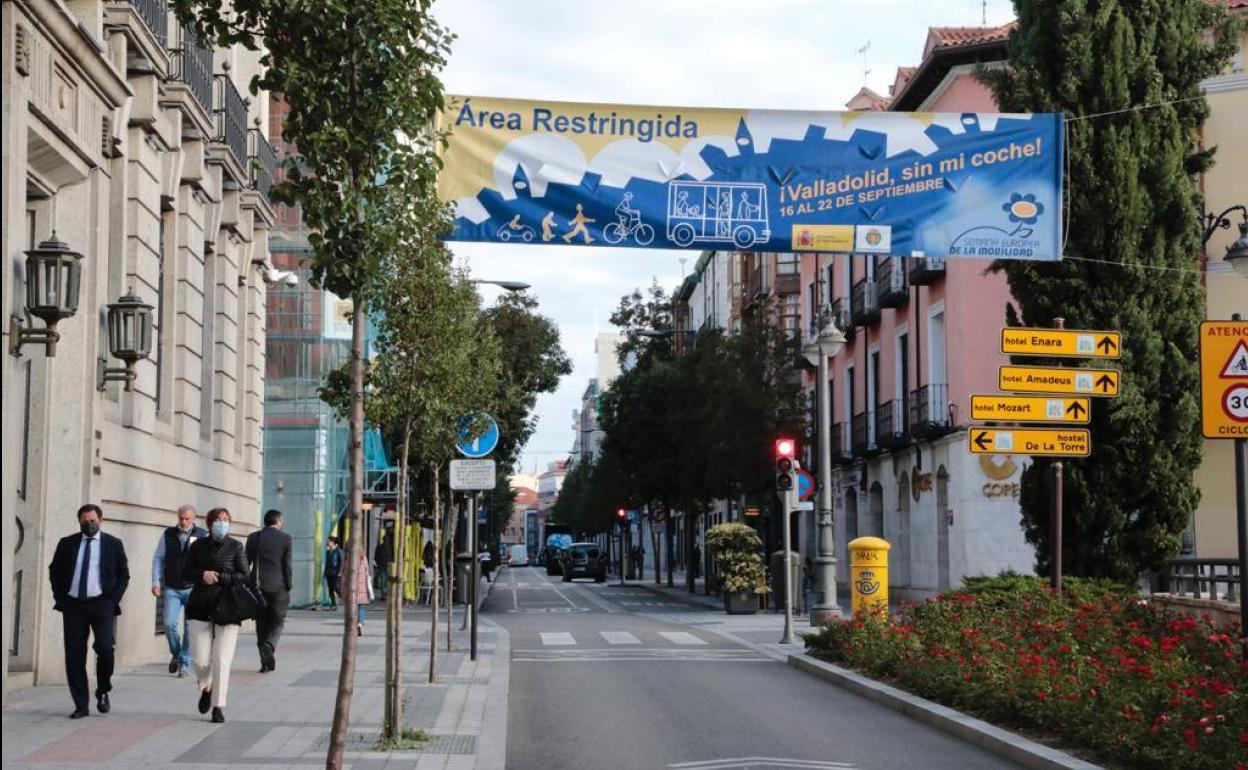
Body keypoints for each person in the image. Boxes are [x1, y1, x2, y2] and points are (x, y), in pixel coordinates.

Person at [48, 504, 130, 719]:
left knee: (105, 649)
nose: (89, 524)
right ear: (79, 522)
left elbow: (124, 575)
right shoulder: (67, 544)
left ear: (100, 520)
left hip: (102, 604)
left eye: (93, 520)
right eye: (85, 521)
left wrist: (113, 600)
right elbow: (54, 571)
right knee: (74, 656)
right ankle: (80, 705)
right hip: (73, 606)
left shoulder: (113, 544)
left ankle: (103, 688)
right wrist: (61, 599)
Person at [185, 507, 249, 724]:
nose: (222, 523)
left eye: (226, 520)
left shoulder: (236, 546)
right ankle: (206, 685)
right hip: (200, 605)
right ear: (209, 523)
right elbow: (185, 571)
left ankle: (218, 705)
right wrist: (202, 575)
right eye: (218, 520)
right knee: (200, 658)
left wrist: (222, 578)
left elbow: (244, 575)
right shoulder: (198, 546)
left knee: (222, 659)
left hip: (228, 606)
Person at [152, 504, 207, 678]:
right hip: (172, 587)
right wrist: (155, 582)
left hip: (193, 588)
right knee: (169, 624)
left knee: (190, 628)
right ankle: (176, 653)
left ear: (193, 519)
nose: (183, 522)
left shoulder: (202, 535)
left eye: (187, 519)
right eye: (181, 518)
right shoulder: (168, 534)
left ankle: (184, 662)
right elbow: (158, 558)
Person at [246, 509, 292, 674]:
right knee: (278, 621)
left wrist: (248, 583)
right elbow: (286, 566)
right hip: (277, 587)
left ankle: (264, 663)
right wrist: (288, 585)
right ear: (278, 521)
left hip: (257, 588)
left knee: (261, 624)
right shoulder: (286, 538)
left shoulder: (253, 538)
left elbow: (245, 564)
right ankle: (270, 645)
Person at [354, 548, 374, 636]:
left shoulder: (350, 557)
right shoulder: (364, 558)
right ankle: (360, 623)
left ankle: (353, 624)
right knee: (361, 607)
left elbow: (343, 570)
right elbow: (367, 572)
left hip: (352, 586)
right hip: (362, 586)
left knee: (353, 607)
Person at [373, 531, 394, 600]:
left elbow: (393, 557)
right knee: (384, 581)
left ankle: (386, 594)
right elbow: (376, 557)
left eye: (387, 540)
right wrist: (379, 564)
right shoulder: (381, 547)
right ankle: (384, 595)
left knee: (386, 581)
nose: (386, 541)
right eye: (385, 539)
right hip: (383, 566)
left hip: (388, 566)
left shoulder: (391, 548)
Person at [324, 536, 343, 609]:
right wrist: (325, 571)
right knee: (330, 589)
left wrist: (340, 571)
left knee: (336, 587)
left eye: (329, 541)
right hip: (329, 572)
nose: (328, 543)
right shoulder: (328, 552)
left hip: (336, 572)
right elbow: (327, 562)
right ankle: (333, 604)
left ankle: (343, 597)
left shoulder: (338, 551)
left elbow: (341, 562)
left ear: (333, 542)